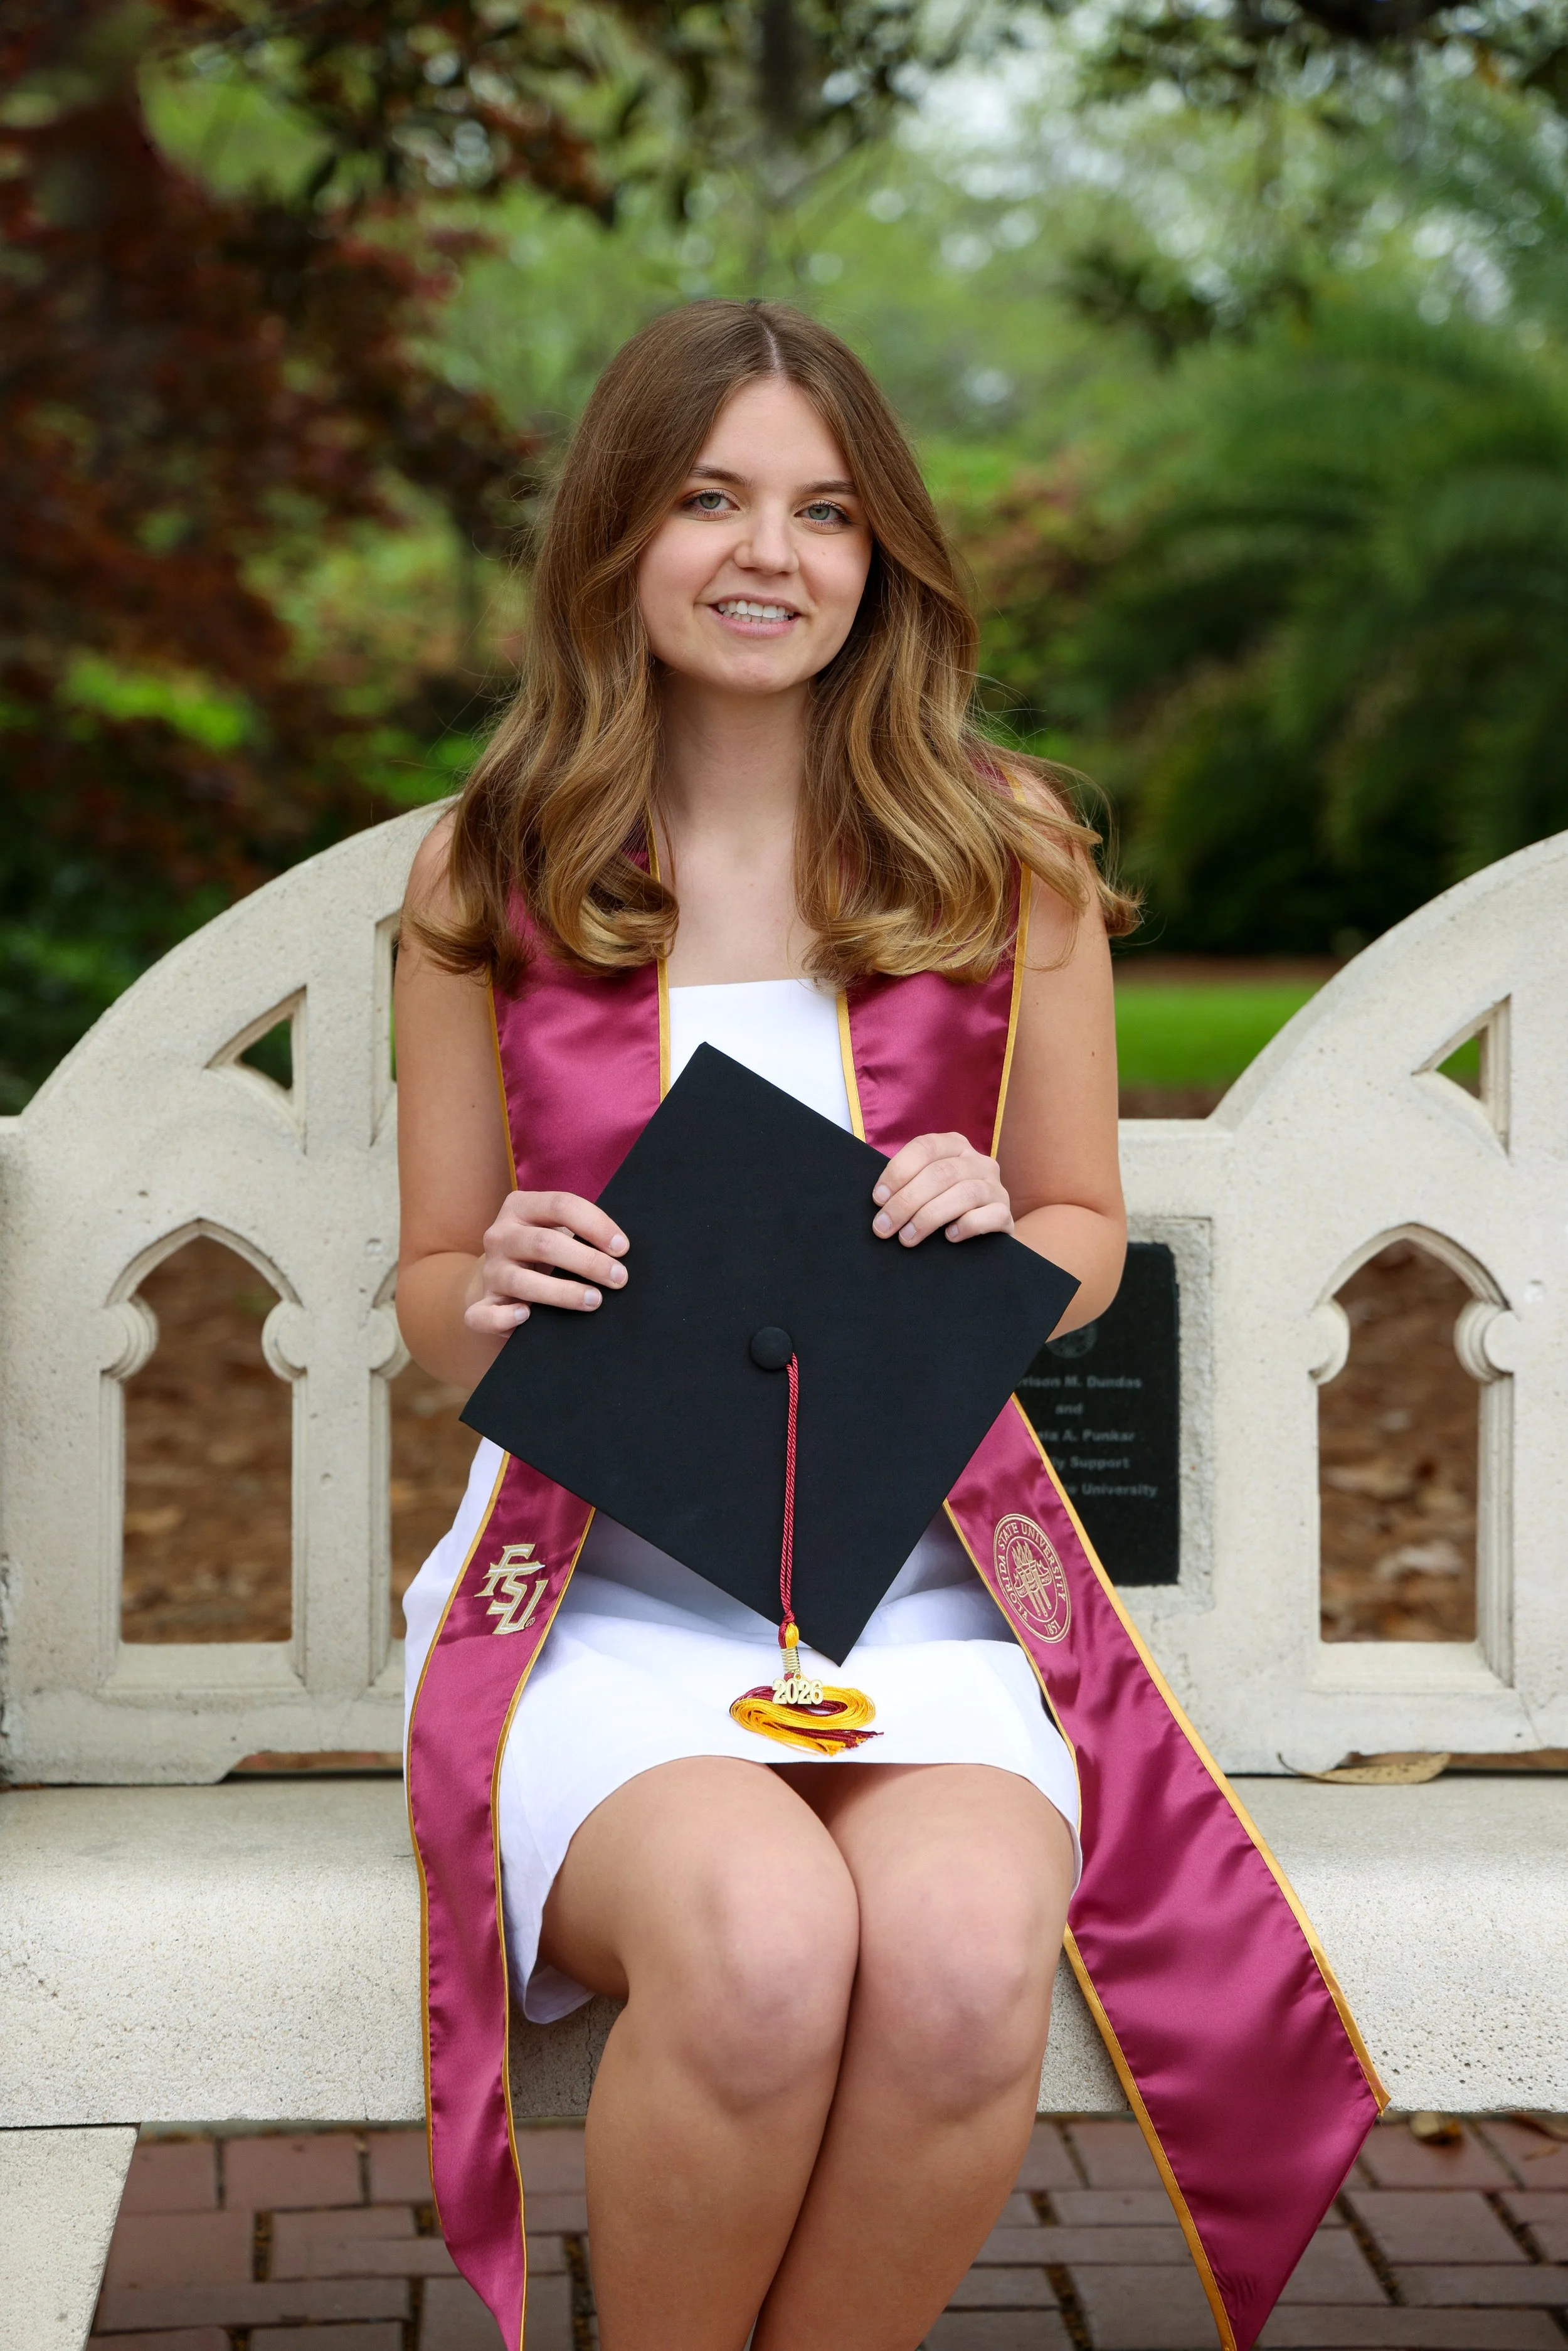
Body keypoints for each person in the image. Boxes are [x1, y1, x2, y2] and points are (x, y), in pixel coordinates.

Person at [395, 300, 1382, 2351]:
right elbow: (428, 1304)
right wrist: (492, 1282)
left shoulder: (991, 851)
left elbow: (1087, 1226)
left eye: (826, 511)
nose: (771, 554)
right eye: (710, 499)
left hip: (921, 1584)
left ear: (883, 558)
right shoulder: (499, 870)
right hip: (596, 1594)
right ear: (614, 538)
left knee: (950, 1954)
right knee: (757, 1942)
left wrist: (999, 1234)